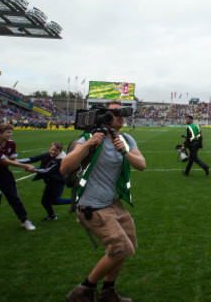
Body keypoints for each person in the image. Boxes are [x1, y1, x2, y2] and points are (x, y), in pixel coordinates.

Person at [61, 101, 146, 302]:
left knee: (129, 245)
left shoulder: (126, 139)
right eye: (117, 113)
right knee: (121, 248)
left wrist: (124, 151)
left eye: (123, 113)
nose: (122, 117)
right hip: (92, 206)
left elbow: (141, 165)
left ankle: (108, 291)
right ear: (105, 116)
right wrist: (89, 144)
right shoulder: (88, 138)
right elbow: (65, 167)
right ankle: (83, 289)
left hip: (113, 203)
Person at [0, 123, 37, 230]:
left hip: (3, 172)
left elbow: (13, 161)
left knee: (13, 196)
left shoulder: (11, 144)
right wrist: (25, 166)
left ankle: (24, 220)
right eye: (8, 132)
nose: (10, 134)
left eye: (10, 132)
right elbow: (5, 161)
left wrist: (30, 163)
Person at [18, 141, 71, 221]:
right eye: (52, 149)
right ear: (49, 148)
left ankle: (76, 201)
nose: (53, 152)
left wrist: (34, 169)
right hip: (50, 182)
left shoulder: (60, 160)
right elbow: (32, 159)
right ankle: (52, 216)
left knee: (55, 200)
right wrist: (15, 161)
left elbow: (47, 171)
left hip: (58, 182)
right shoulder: (47, 155)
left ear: (60, 151)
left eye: (55, 151)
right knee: (45, 201)